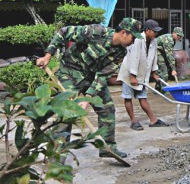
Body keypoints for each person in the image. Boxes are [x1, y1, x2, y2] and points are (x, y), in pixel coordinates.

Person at [36, 17, 144, 159]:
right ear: (124, 32)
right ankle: (56, 156)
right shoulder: (96, 32)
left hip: (91, 78)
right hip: (70, 73)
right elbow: (63, 32)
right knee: (67, 111)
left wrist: (88, 98)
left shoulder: (120, 52)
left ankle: (107, 147)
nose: (133, 42)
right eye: (133, 37)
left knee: (107, 108)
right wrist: (47, 56)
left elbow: (103, 76)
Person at [118, 19, 169, 131]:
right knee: (128, 97)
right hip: (129, 72)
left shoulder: (153, 41)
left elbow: (153, 57)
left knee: (142, 97)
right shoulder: (137, 40)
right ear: (147, 30)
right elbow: (134, 57)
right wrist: (132, 76)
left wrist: (154, 73)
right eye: (154, 31)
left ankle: (153, 120)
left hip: (141, 73)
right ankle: (133, 121)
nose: (156, 33)